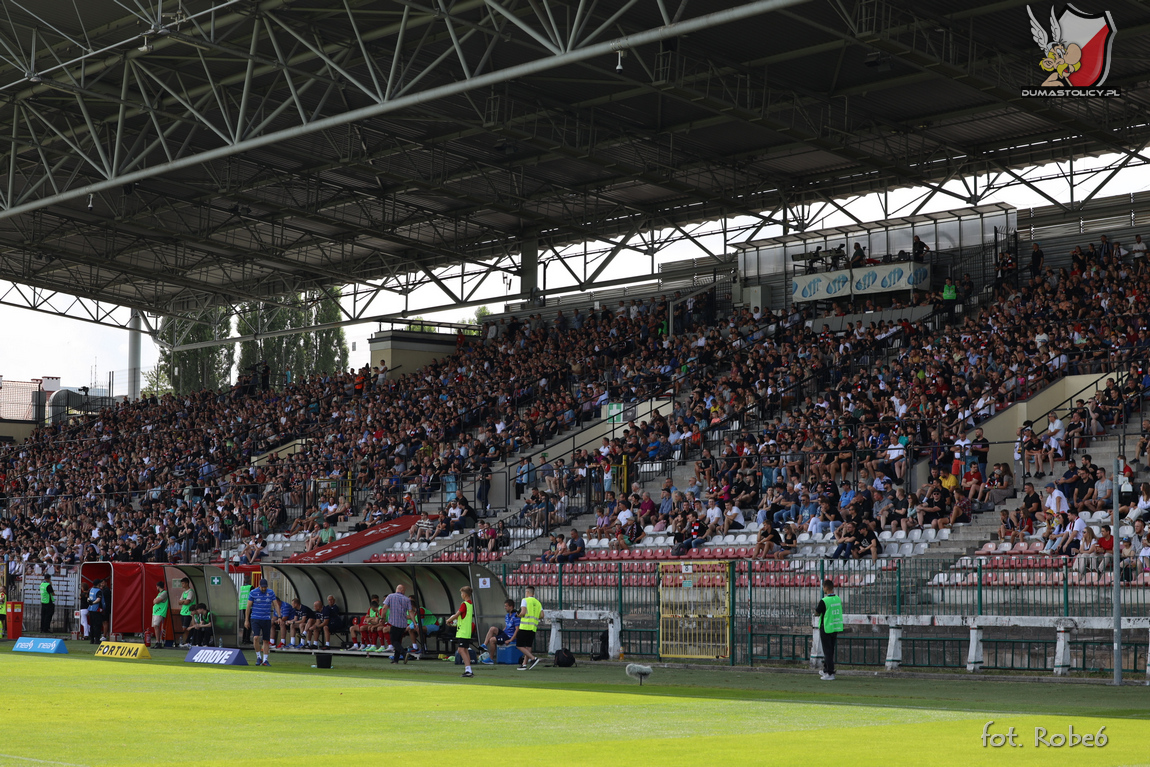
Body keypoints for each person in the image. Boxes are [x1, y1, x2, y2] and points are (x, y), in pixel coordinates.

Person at [244, 577, 283, 666]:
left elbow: (276, 605)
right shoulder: (253, 593)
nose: (264, 589)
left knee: (266, 640)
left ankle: (265, 660)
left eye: (265, 587)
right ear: (259, 586)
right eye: (262, 587)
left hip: (266, 619)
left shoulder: (271, 593)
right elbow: (248, 606)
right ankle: (258, 657)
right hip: (256, 618)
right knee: (256, 637)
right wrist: (246, 620)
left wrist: (279, 616)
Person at [446, 585, 477, 678]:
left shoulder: (464, 604)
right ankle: (469, 670)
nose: (461, 595)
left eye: (461, 593)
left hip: (463, 632)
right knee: (465, 650)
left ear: (464, 594)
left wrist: (448, 620)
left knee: (460, 649)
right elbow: (463, 619)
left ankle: (468, 670)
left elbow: (457, 614)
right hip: (467, 631)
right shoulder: (470, 604)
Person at [816, 577, 842, 681]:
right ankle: (826, 669)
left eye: (823, 587)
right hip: (835, 627)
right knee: (830, 650)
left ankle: (830, 672)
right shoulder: (838, 598)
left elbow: (817, 612)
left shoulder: (824, 600)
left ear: (826, 587)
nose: (823, 589)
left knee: (827, 651)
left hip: (826, 627)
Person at [382, 584, 416, 664]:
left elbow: (384, 608)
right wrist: (414, 622)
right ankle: (396, 660)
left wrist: (382, 618)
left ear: (397, 589)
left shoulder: (390, 596)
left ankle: (404, 653)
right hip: (403, 624)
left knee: (394, 641)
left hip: (394, 623)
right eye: (404, 591)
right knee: (398, 641)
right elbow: (410, 611)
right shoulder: (407, 599)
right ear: (402, 590)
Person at [481, 599, 521, 664]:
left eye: (506, 606)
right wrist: (501, 633)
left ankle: (491, 659)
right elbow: (507, 626)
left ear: (511, 607)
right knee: (492, 628)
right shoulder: (507, 616)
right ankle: (484, 644)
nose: (505, 608)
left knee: (492, 640)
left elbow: (517, 630)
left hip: (509, 636)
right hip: (505, 634)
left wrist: (510, 640)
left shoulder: (516, 616)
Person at [514, 586, 543, 670]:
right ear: (533, 593)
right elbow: (541, 615)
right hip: (533, 627)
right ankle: (524, 664)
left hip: (524, 626)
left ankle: (533, 658)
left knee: (519, 645)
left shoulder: (525, 600)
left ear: (527, 592)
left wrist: (517, 615)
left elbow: (522, 612)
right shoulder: (538, 603)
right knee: (528, 645)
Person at [177, 577, 196, 648]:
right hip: (183, 612)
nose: (182, 585)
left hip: (188, 612)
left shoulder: (190, 592)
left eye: (183, 583)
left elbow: (188, 602)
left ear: (187, 583)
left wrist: (183, 601)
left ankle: (189, 641)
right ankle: (187, 641)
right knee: (184, 628)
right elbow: (179, 602)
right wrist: (183, 601)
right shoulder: (184, 593)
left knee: (186, 628)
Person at [150, 581, 169, 649]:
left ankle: (159, 642)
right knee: (156, 627)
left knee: (157, 626)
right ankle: (157, 642)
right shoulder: (160, 593)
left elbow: (156, 601)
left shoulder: (164, 593)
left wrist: (155, 600)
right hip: (156, 612)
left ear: (158, 586)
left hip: (160, 612)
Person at [86, 578, 106, 644]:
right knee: (97, 625)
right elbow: (98, 599)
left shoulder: (91, 589)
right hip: (97, 610)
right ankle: (97, 640)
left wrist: (89, 602)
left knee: (92, 625)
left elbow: (88, 598)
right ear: (98, 584)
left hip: (91, 609)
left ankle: (92, 640)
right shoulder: (98, 591)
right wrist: (93, 603)